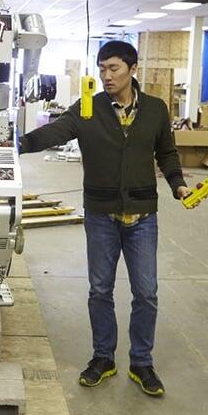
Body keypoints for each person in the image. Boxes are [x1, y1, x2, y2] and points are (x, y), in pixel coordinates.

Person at [19, 40, 189, 396]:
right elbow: (56, 131)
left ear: (132, 69)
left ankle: (142, 362)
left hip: (143, 217)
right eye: (102, 68)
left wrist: (179, 186)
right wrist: (18, 142)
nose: (106, 75)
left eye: (113, 68)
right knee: (100, 290)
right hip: (101, 215)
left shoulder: (156, 110)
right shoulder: (87, 108)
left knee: (147, 293)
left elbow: (167, 153)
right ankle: (103, 357)